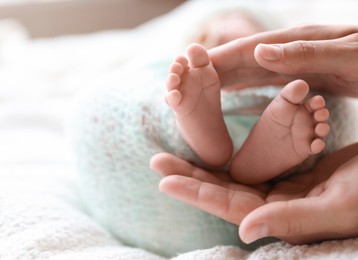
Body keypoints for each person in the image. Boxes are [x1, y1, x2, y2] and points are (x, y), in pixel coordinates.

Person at [150, 24, 358, 245]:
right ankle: (238, 157)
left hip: (263, 121)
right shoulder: (170, 62)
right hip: (288, 134)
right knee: (306, 107)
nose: (224, 40)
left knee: (169, 105)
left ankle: (211, 146)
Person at [165, 43, 329, 184]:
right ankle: (211, 145)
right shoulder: (186, 73)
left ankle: (236, 156)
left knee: (306, 111)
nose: (223, 39)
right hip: (267, 118)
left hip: (279, 121)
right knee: (313, 111)